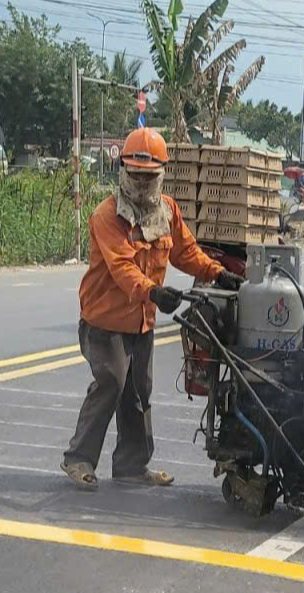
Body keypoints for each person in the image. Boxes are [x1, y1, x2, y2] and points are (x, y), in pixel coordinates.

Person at [62, 128, 243, 490]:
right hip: (104, 322)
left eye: (149, 176)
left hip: (141, 322)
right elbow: (122, 268)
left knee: (138, 392)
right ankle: (78, 458)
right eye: (135, 175)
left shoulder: (168, 211)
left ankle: (131, 466)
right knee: (112, 382)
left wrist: (218, 273)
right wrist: (155, 292)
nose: (142, 183)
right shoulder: (106, 216)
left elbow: (186, 252)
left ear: (161, 174)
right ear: (123, 172)